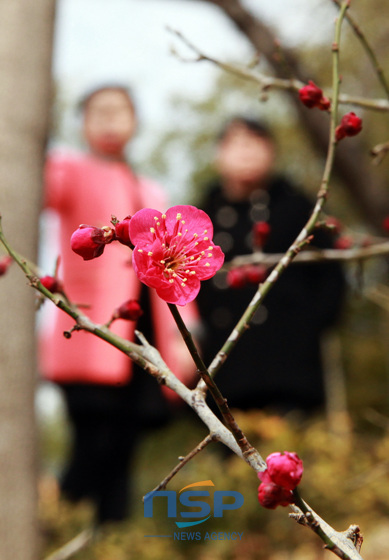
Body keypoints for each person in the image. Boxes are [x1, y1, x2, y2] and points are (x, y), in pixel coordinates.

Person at [39, 84, 197, 524]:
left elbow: (177, 263)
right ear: (82, 123)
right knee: (92, 443)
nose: (109, 119)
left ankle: (108, 540)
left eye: (119, 110)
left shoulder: (152, 190)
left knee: (123, 453)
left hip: (144, 345)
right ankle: (51, 525)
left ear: (135, 122)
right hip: (92, 337)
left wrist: (187, 338)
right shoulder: (68, 171)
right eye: (98, 111)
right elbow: (41, 188)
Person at [196, 117, 345, 414]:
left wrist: (309, 325)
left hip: (291, 367)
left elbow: (331, 273)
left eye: (256, 142)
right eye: (237, 143)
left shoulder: (298, 204)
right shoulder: (203, 213)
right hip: (225, 370)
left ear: (272, 152)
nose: (246, 151)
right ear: (219, 155)